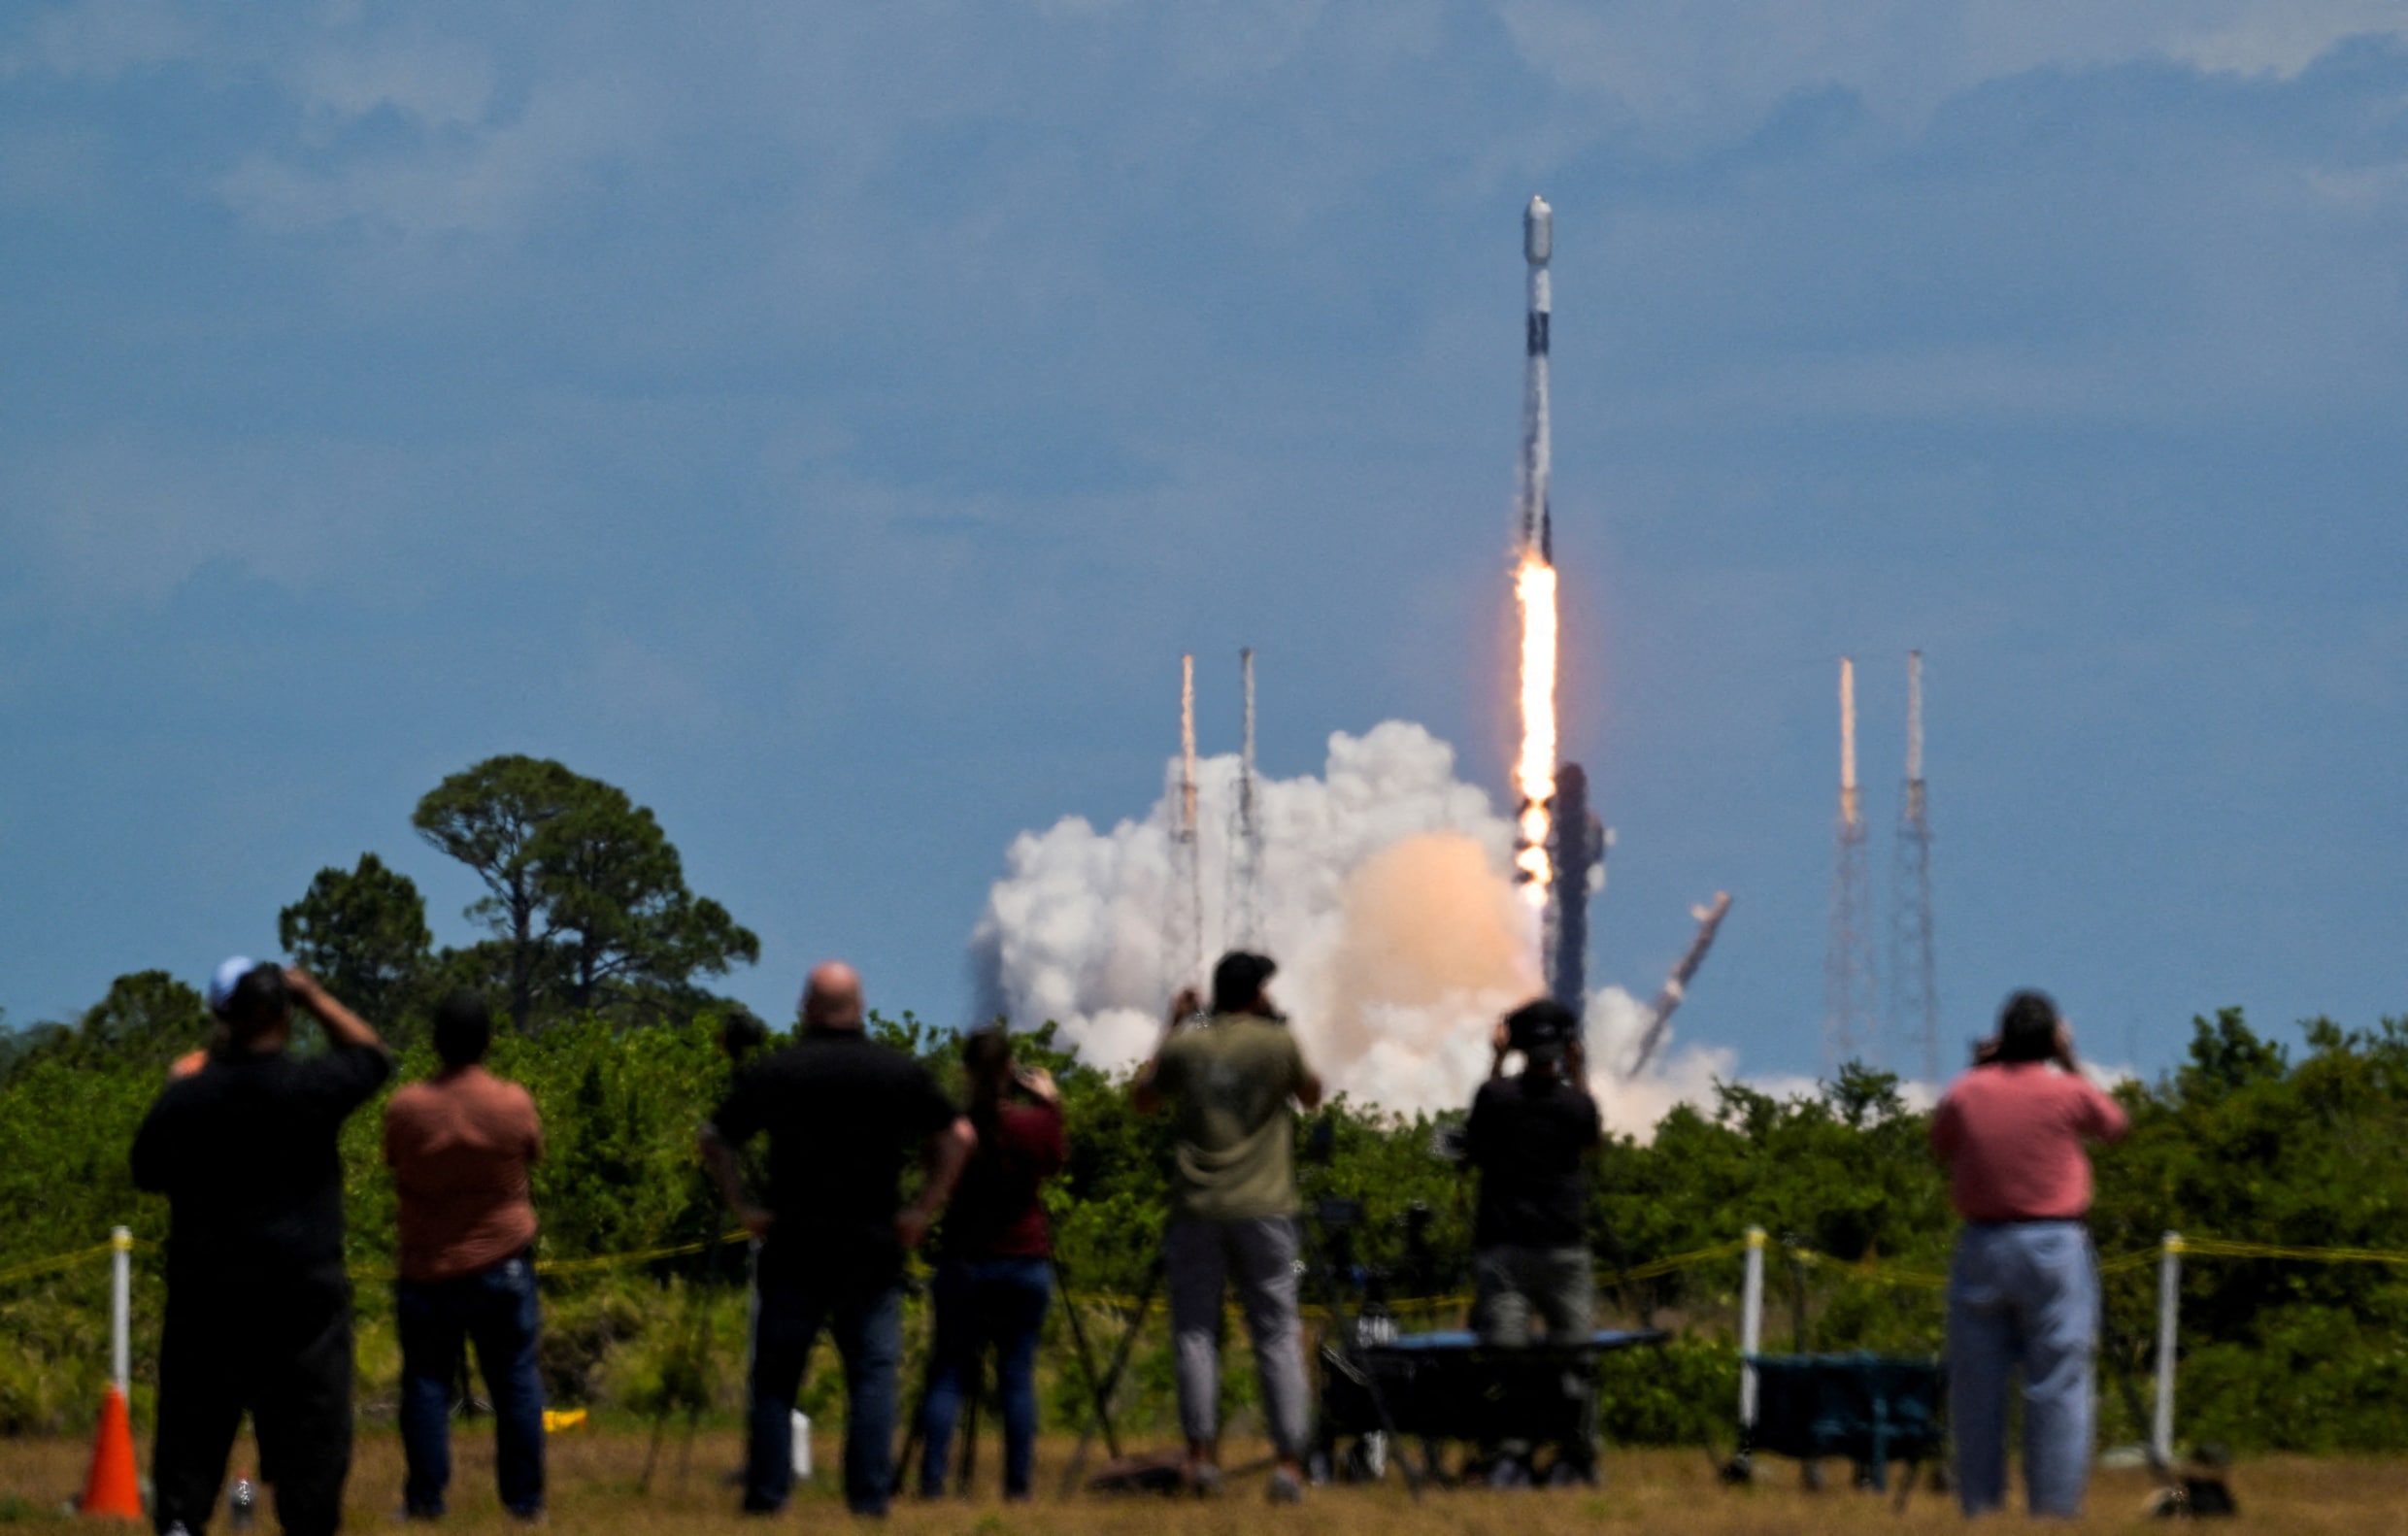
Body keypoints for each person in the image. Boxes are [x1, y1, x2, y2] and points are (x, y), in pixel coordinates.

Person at [700, 961, 976, 1517]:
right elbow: (959, 1136)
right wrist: (922, 1209)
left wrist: (744, 1206)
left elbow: (715, 1138)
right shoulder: (895, 1071)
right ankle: (868, 1499)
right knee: (872, 1379)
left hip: (794, 1245)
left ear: (806, 1007)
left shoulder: (779, 1072)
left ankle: (768, 1494)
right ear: (861, 1006)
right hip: (871, 1247)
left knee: (777, 1380)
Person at [131, 961, 393, 1536]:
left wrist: (183, 1086)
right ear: (285, 1016)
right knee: (311, 1443)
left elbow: (145, 1168)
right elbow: (374, 1056)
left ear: (225, 1019)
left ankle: (180, 1520)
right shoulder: (309, 1086)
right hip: (302, 1303)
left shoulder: (193, 1098)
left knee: (192, 1438)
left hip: (209, 1298)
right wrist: (317, 995)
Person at [1132, 951, 1323, 1504]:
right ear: (1257, 992)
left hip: (1196, 1207)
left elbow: (1144, 1098)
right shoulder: (1276, 1043)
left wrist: (1173, 1026)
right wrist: (1279, 1033)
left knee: (1195, 1333)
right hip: (1267, 1209)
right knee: (1277, 1332)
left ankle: (1199, 1457)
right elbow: (1311, 1096)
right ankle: (1288, 1463)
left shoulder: (1187, 1044)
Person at [1931, 989, 2130, 1519]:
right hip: (2054, 1245)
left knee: (1976, 1385)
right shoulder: (2066, 1091)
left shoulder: (1967, 1091)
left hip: (1982, 1244)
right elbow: (2114, 1126)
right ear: (2050, 1040)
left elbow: (1941, 1141)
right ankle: (2054, 1509)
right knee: (2058, 1382)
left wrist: (1978, 1069)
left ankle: (1980, 1507)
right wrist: (2069, 1062)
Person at [384, 992, 547, 1520]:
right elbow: (533, 1153)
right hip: (504, 1263)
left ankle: (426, 1501)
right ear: (488, 1041)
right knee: (516, 1382)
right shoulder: (513, 1102)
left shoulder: (407, 1107)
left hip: (429, 1268)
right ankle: (525, 1504)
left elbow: (393, 1162)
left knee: (427, 1386)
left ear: (436, 1042)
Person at [915, 1028, 1066, 1501]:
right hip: (1024, 1260)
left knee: (949, 1374)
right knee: (1016, 1378)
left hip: (965, 1262)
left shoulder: (953, 1129)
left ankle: (932, 1482)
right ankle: (1017, 1487)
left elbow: (930, 1169)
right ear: (1009, 1071)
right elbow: (1056, 1159)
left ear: (965, 1071)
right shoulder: (1033, 1125)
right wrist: (1051, 1104)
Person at [1462, 997, 1605, 1486]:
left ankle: (1510, 1454)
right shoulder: (1573, 1103)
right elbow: (1590, 1136)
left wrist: (1497, 1058)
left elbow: (1475, 1139)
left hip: (1504, 1249)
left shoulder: (1496, 1098)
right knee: (1577, 1357)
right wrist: (1579, 1069)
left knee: (1507, 1359)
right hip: (1565, 1248)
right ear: (1566, 1049)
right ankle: (1577, 1453)